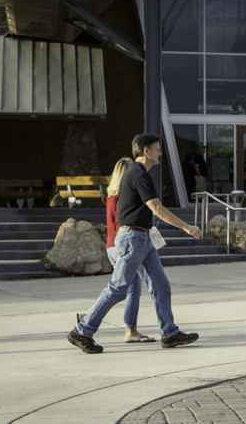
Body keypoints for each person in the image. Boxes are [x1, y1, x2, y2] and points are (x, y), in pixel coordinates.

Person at [67, 133, 202, 354]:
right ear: (146, 151)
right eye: (157, 148)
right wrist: (186, 227)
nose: (160, 152)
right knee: (118, 288)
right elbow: (156, 208)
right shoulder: (139, 173)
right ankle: (83, 330)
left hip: (143, 237)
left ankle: (170, 333)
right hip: (132, 239)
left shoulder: (139, 173)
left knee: (160, 285)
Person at [76, 157, 155, 343]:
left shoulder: (112, 196)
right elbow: (124, 223)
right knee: (120, 288)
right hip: (124, 245)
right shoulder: (122, 198)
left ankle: (127, 328)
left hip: (113, 245)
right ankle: (91, 322)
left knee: (128, 287)